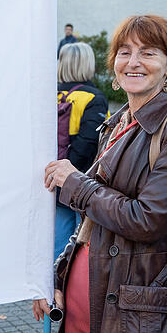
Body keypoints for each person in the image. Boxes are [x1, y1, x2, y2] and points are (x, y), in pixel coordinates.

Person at [34, 14, 167, 333]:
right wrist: (58, 276)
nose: (133, 62)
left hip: (136, 315)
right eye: (125, 52)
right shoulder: (117, 123)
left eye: (148, 53)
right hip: (86, 300)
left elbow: (147, 219)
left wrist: (75, 182)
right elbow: (91, 221)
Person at [54, 42, 108, 258]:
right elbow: (88, 143)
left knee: (57, 244)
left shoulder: (49, 93)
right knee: (81, 245)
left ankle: (53, 277)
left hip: (52, 177)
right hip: (81, 182)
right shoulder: (94, 98)